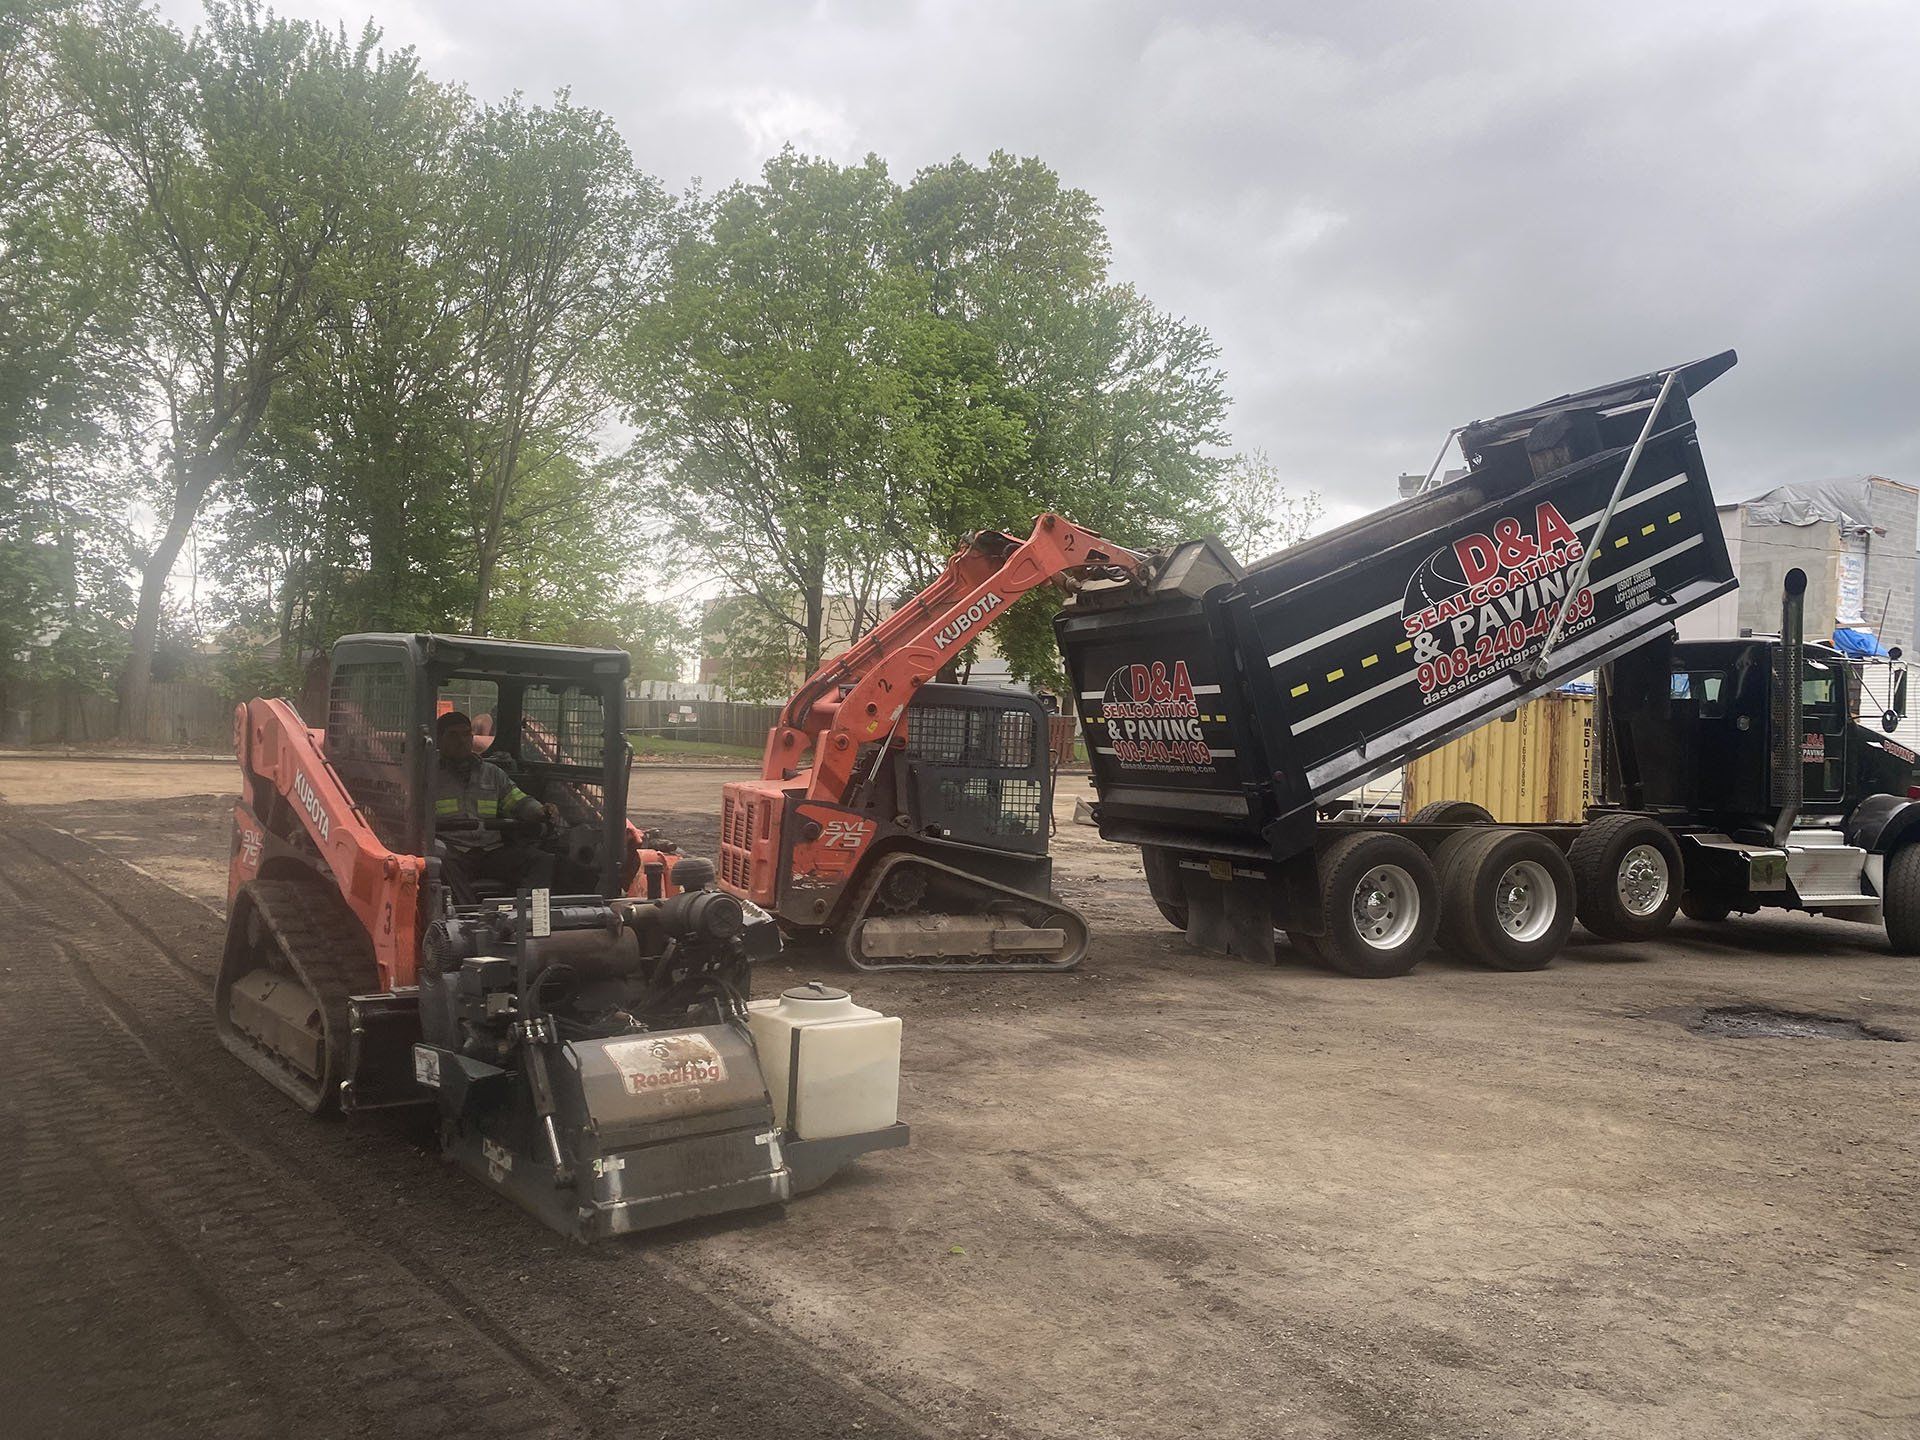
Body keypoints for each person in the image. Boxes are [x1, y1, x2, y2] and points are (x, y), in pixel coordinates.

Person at [432, 710, 557, 893]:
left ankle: (527, 916)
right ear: (439, 739)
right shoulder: (428, 776)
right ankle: (466, 918)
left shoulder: (493, 774)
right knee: (439, 863)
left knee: (542, 860)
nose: (461, 740)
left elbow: (518, 801)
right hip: (452, 851)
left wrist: (541, 810)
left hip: (490, 851)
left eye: (466, 734)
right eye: (453, 735)